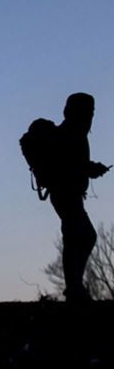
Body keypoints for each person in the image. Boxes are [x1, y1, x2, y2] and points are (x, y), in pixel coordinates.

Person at [48, 93, 109, 302]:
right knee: (82, 236)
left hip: (67, 193)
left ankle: (74, 286)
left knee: (76, 237)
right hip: (65, 193)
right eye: (89, 112)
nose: (91, 116)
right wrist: (91, 169)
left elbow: (75, 164)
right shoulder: (71, 133)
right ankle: (74, 288)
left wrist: (90, 168)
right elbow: (69, 165)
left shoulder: (73, 132)